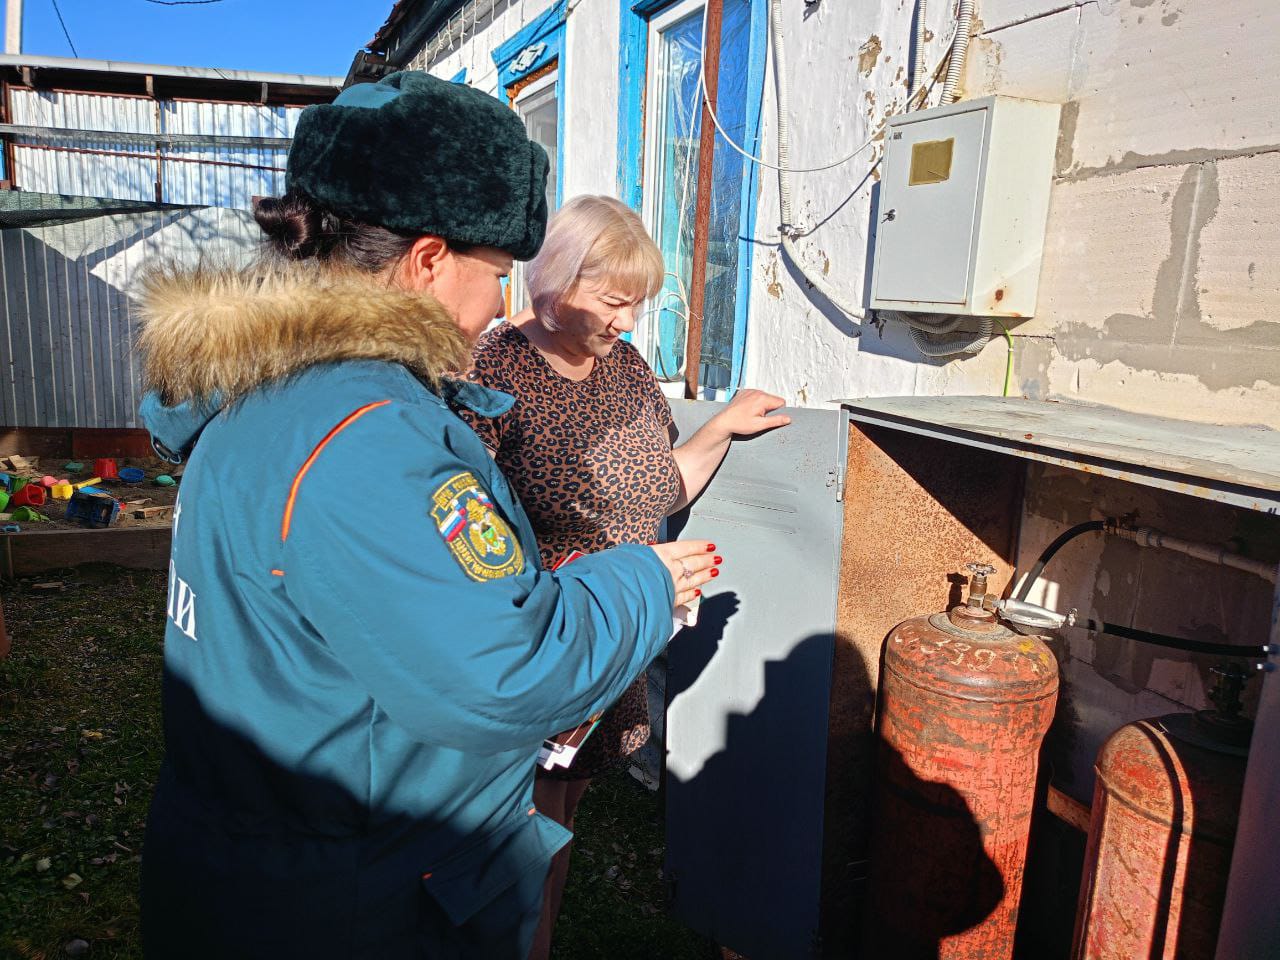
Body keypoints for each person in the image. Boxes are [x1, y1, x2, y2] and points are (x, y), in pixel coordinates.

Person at [135, 73, 718, 960]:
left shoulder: (256, 391)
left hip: (259, 865)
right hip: (362, 902)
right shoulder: (372, 434)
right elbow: (504, 674)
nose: (498, 303)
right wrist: (637, 580)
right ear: (429, 260)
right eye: (496, 273)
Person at [460, 194, 789, 959]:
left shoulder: (627, 367)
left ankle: (534, 938)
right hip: (538, 637)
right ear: (556, 281)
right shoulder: (495, 368)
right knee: (518, 815)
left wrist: (718, 430)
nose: (630, 321)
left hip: (616, 638)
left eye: (639, 303)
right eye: (615, 301)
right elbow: (458, 522)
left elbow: (658, 487)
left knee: (562, 807)